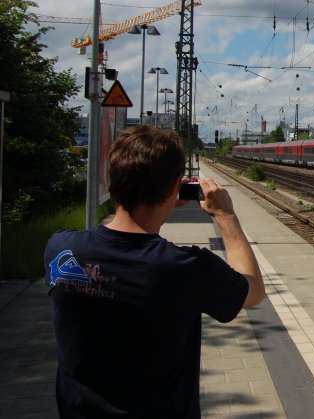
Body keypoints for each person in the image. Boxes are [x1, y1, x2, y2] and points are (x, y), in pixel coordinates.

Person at [44, 125, 265, 418]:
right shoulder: (185, 268)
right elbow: (253, 290)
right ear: (176, 186)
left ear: (113, 179)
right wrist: (226, 215)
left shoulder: (61, 249)